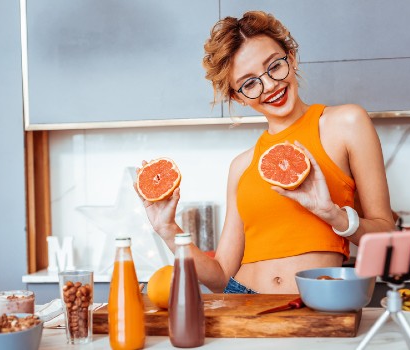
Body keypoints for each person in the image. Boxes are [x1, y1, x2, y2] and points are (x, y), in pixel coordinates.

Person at [135, 11, 395, 294]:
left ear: (291, 57)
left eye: (274, 66)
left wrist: (334, 216)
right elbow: (221, 274)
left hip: (313, 304)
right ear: (238, 97)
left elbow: (388, 240)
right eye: (249, 83)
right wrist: (167, 229)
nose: (270, 85)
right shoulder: (241, 166)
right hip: (241, 302)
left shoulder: (346, 123)